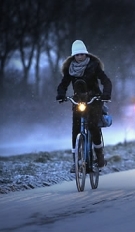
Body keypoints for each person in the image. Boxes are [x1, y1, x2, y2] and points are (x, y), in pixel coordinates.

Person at [56, 40, 112, 173]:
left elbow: (106, 81)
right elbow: (63, 84)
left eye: (82, 54)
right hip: (78, 100)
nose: (80, 57)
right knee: (76, 127)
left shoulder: (94, 65)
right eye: (77, 55)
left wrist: (106, 94)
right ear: (73, 56)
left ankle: (99, 157)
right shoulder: (70, 69)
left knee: (93, 125)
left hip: (94, 99)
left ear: (86, 54)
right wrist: (61, 94)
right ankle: (76, 160)